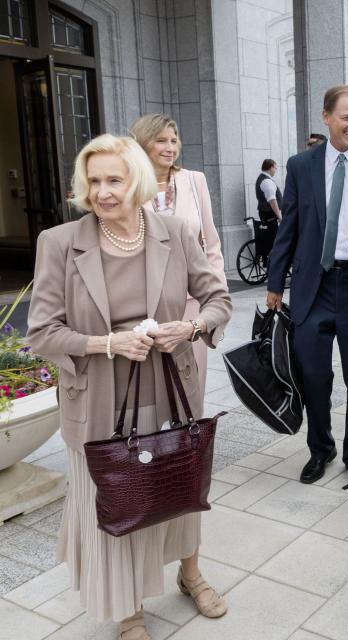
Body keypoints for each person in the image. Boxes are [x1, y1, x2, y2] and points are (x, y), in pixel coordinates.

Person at [26, 134, 232, 640]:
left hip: (169, 388)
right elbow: (42, 333)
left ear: (136, 180)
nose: (102, 191)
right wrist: (106, 344)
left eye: (113, 179)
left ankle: (190, 573)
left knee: (180, 486)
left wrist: (187, 328)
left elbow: (217, 300)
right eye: (93, 181)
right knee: (118, 500)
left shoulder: (176, 232)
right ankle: (129, 610)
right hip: (98, 396)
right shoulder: (59, 242)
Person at [266, 85, 348, 488]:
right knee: (313, 376)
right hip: (315, 287)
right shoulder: (302, 165)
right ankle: (319, 449)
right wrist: (275, 282)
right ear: (326, 117)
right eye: (346, 117)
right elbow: (288, 227)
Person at [130, 114, 228, 404]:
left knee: (191, 382)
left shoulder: (194, 181)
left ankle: (191, 446)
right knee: (153, 388)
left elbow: (210, 241)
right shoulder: (130, 185)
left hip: (192, 301)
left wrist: (217, 293)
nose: (170, 146)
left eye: (174, 140)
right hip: (145, 301)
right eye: (161, 140)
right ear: (143, 144)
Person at [255, 159, 282, 258]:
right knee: (275, 239)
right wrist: (279, 216)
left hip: (266, 213)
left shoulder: (263, 178)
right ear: (270, 167)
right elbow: (272, 200)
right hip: (270, 215)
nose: (275, 170)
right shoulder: (266, 181)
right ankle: (274, 261)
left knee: (271, 239)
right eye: (275, 168)